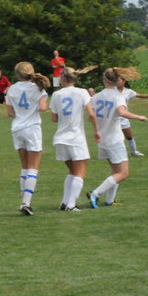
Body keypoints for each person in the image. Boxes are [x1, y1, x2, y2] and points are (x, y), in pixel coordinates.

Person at [86, 68, 148, 208]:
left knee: (115, 172)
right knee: (123, 173)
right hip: (114, 140)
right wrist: (139, 116)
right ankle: (95, 193)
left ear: (104, 80)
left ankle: (109, 201)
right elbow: (122, 112)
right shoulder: (117, 96)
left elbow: (91, 116)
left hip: (102, 140)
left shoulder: (96, 97)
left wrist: (97, 129)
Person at [49, 66, 99, 212]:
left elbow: (54, 118)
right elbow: (91, 114)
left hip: (60, 137)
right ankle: (71, 205)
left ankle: (65, 202)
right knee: (80, 172)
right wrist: (96, 131)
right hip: (76, 137)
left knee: (72, 171)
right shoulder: (82, 92)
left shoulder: (56, 94)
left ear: (63, 78)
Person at [5, 62, 50, 216]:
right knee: (33, 166)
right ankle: (26, 203)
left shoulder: (11, 89)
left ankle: (24, 200)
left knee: (24, 166)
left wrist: (21, 113)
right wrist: (32, 110)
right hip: (32, 128)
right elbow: (43, 108)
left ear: (17, 74)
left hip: (17, 128)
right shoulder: (37, 87)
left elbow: (10, 113)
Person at [116, 73, 145, 157]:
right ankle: (118, 153)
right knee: (117, 137)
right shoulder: (112, 91)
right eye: (116, 80)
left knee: (129, 136)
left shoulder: (128, 92)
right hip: (114, 118)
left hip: (124, 117)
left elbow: (140, 95)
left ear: (124, 81)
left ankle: (134, 151)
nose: (117, 82)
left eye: (119, 80)